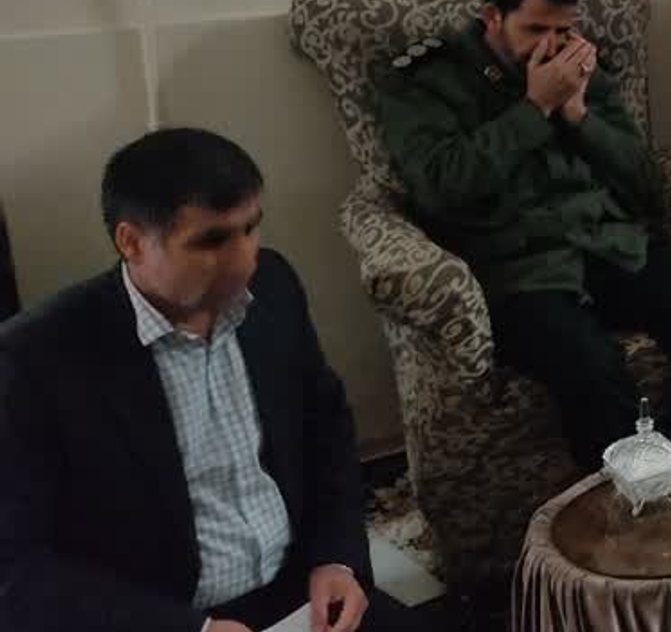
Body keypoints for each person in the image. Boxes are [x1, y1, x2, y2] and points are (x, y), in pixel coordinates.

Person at [0, 128, 427, 632]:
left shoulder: (274, 286)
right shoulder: (32, 360)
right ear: (131, 241)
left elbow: (325, 429)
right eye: (212, 240)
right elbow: (16, 570)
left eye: (250, 228)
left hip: (301, 594)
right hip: (159, 613)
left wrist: (337, 559)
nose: (245, 259)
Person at [376, 0, 671, 470]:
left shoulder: (580, 69)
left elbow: (647, 184)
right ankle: (631, 510)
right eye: (535, 29)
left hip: (607, 246)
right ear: (492, 17)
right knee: (594, 370)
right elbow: (441, 188)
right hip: (517, 271)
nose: (552, 45)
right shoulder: (428, 80)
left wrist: (579, 115)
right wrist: (534, 108)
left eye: (563, 30)